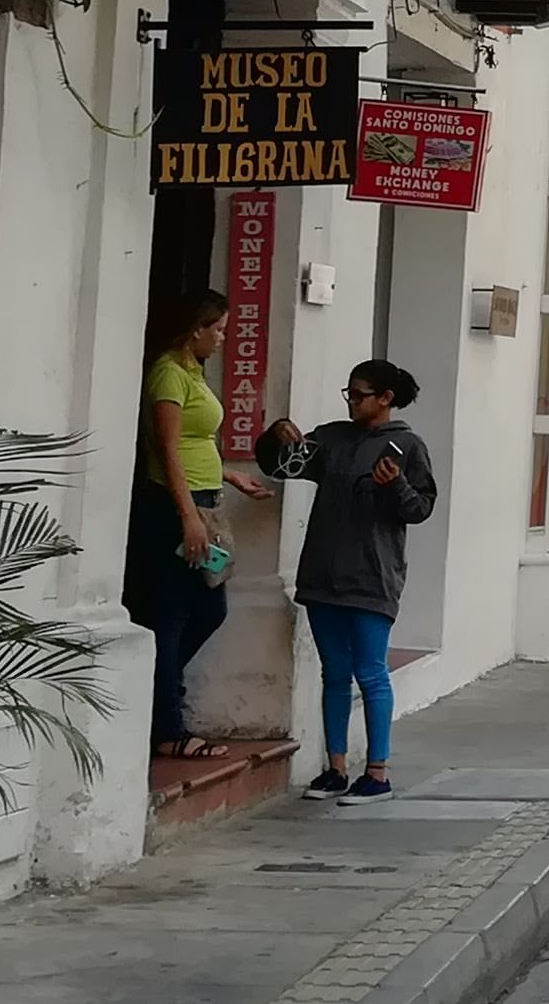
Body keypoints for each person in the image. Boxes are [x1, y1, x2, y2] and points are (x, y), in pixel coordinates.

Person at [261, 359, 439, 798]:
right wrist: (275, 434)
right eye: (350, 394)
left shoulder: (407, 446)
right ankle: (335, 767)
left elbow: (419, 510)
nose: (353, 402)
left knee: (371, 672)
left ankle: (377, 771)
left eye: (359, 395)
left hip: (373, 576)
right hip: (324, 573)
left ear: (385, 399)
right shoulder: (332, 438)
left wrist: (394, 485)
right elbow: (282, 467)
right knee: (334, 672)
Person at [128, 290, 271, 761]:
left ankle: (155, 692)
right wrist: (188, 517)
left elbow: (196, 443)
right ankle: (168, 724)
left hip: (206, 504)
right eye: (219, 330)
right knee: (170, 615)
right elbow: (168, 450)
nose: (223, 339)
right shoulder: (169, 374)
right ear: (197, 329)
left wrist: (229, 475)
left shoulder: (194, 372)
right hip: (176, 511)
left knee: (211, 609)